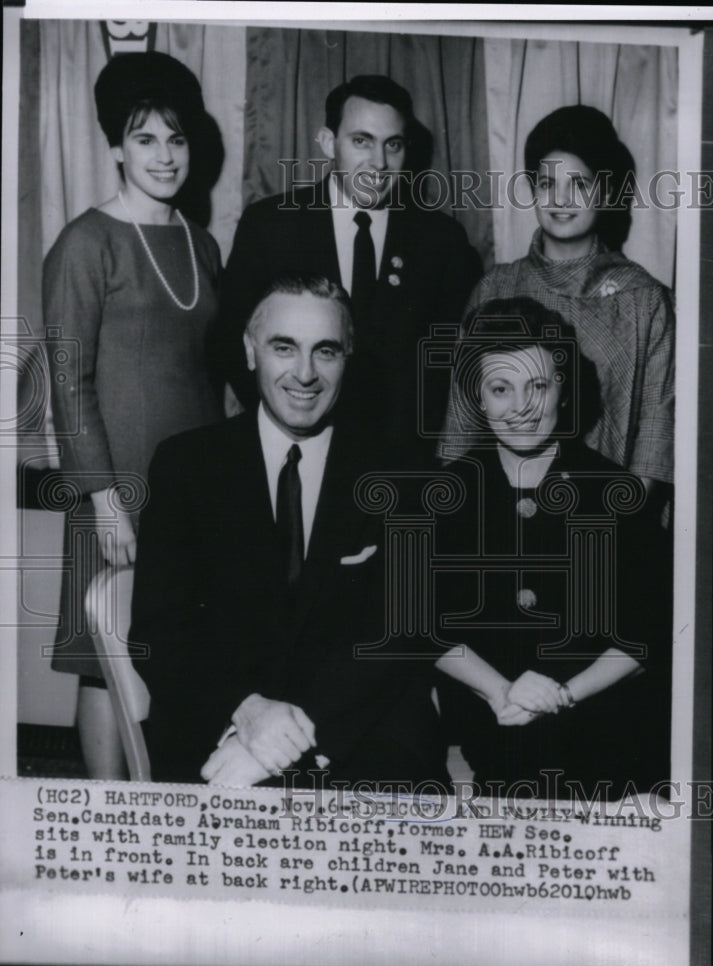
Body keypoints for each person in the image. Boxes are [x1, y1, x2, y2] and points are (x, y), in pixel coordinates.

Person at [130, 273, 447, 788]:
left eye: (325, 351)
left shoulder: (402, 475)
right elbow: (158, 634)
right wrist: (248, 714)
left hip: (360, 736)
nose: (305, 374)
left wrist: (282, 746)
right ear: (251, 351)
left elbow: (401, 634)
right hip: (222, 730)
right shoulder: (187, 464)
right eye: (284, 348)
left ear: (348, 357)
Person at [43, 52, 224, 778]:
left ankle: (156, 809)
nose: (164, 156)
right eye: (144, 138)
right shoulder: (85, 243)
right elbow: (66, 378)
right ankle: (103, 816)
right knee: (102, 659)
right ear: (115, 147)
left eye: (176, 139)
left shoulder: (202, 242)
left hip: (191, 489)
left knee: (172, 647)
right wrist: (105, 499)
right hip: (114, 489)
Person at [435, 298, 671, 800]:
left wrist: (563, 695)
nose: (520, 408)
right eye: (501, 389)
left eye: (537, 386)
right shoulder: (447, 494)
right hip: (494, 727)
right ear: (478, 397)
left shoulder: (615, 491)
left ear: (562, 389)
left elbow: (646, 631)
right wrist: (500, 690)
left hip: (606, 729)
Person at [215, 74, 481, 454]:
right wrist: (287, 423)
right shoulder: (271, 225)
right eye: (362, 141)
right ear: (328, 143)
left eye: (393, 145)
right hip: (294, 453)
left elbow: (452, 363)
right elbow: (231, 340)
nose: (379, 163)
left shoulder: (442, 240)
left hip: (402, 463)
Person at [441, 105, 674, 518]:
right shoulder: (495, 288)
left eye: (579, 184)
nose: (561, 200)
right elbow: (461, 429)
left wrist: (618, 529)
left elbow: (652, 447)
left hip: (603, 522)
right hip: (496, 520)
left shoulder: (645, 300)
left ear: (604, 191)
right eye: (547, 184)